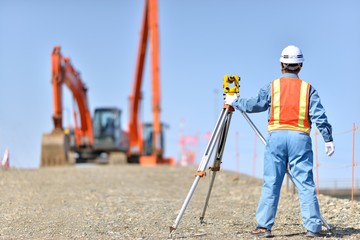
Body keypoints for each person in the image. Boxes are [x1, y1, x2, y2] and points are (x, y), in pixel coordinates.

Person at [225, 45, 335, 238]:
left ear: (281, 64)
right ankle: (313, 228)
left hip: (276, 138)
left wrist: (236, 101)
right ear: (300, 65)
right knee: (305, 183)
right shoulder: (308, 89)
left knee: (272, 182)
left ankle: (263, 227)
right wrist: (328, 138)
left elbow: (255, 104)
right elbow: (319, 115)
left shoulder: (273, 86)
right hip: (300, 138)